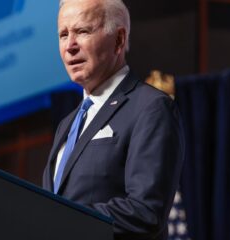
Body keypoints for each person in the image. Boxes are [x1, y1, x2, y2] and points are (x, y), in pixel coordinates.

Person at [42, 0, 185, 239]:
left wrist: (62, 219)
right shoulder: (66, 125)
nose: (70, 46)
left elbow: (145, 211)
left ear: (119, 39)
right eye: (63, 34)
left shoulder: (150, 108)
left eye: (82, 31)